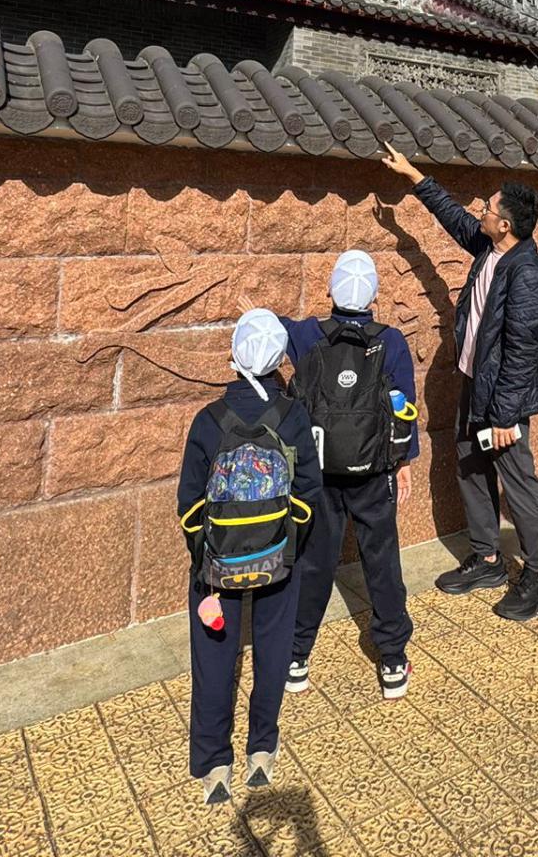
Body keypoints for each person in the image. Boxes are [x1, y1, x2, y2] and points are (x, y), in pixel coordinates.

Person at [378, 141, 538, 621]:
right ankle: (488, 559)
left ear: (506, 225)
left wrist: (505, 417)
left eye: (489, 208)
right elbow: (455, 218)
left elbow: (522, 353)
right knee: (471, 467)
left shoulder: (528, 276)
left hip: (503, 401)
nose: (482, 211)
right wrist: (413, 175)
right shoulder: (489, 248)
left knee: (518, 484)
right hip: (475, 384)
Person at [177, 309, 322, 804]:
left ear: (235, 355)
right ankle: (261, 748)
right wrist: (286, 544)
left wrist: (205, 559)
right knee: (272, 649)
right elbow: (308, 495)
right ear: (279, 360)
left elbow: (189, 505)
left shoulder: (208, 420)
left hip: (216, 566)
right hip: (278, 559)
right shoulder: (292, 416)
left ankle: (213, 762)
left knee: (214, 656)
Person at [280, 250, 420, 700]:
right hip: (373, 471)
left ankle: (296, 656)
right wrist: (403, 462)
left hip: (318, 473)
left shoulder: (307, 335)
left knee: (314, 561)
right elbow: (404, 405)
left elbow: (272, 329)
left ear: (331, 290)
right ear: (375, 296)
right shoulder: (391, 341)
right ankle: (393, 660)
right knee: (382, 561)